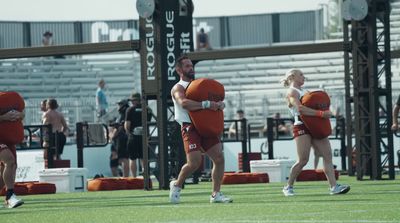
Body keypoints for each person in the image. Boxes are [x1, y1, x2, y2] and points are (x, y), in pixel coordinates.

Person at [169, 55, 232, 204]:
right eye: (187, 66)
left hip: (205, 124)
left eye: (191, 66)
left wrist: (219, 105)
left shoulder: (199, 85)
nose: (191, 68)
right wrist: (207, 104)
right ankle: (177, 184)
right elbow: (184, 103)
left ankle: (216, 194)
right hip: (189, 126)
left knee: (219, 158)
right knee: (194, 163)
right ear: (179, 70)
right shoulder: (178, 87)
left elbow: (213, 103)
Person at [280, 69, 350, 196]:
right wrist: (322, 113)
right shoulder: (292, 91)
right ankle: (288, 186)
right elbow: (300, 109)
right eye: (301, 74)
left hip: (315, 124)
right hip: (302, 125)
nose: (303, 76)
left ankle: (334, 187)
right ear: (292, 77)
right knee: (303, 160)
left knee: (327, 155)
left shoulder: (305, 92)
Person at [0, 105, 25, 208]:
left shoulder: (7, 99)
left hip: (6, 138)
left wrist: (19, 114)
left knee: (10, 166)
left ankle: (9, 198)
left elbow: (23, 114)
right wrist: (3, 117)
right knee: (9, 160)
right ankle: (10, 195)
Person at [124, 92, 147, 177]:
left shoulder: (130, 110)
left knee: (132, 158)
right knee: (143, 157)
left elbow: (127, 125)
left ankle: (134, 177)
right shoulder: (146, 109)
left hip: (133, 136)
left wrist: (129, 134)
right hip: (144, 136)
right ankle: (145, 177)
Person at [109, 99, 130, 177]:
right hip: (116, 142)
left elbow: (120, 128)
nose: (118, 106)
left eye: (120, 104)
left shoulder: (125, 114)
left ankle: (125, 178)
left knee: (124, 159)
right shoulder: (121, 115)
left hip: (122, 140)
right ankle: (119, 178)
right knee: (114, 161)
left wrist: (112, 135)